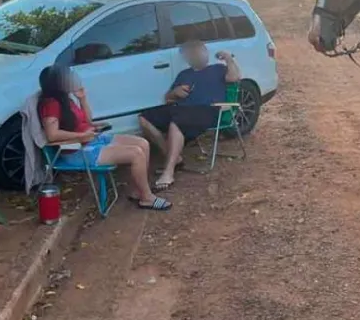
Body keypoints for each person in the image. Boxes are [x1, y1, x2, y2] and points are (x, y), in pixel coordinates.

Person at [38, 65, 171, 211]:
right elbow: (52, 135)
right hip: (76, 151)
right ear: (57, 82)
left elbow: (87, 120)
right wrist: (81, 136)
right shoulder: (51, 104)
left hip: (91, 140)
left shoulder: (65, 99)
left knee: (143, 143)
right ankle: (147, 198)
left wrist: (82, 99)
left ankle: (138, 191)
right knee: (136, 153)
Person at [138, 40, 241, 184]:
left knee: (177, 122)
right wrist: (175, 92)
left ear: (206, 52)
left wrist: (228, 58)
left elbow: (234, 77)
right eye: (191, 53)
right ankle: (174, 158)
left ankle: (168, 173)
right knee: (144, 118)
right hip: (180, 109)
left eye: (199, 51)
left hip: (207, 110)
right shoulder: (184, 74)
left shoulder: (218, 69)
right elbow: (167, 98)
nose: (195, 55)